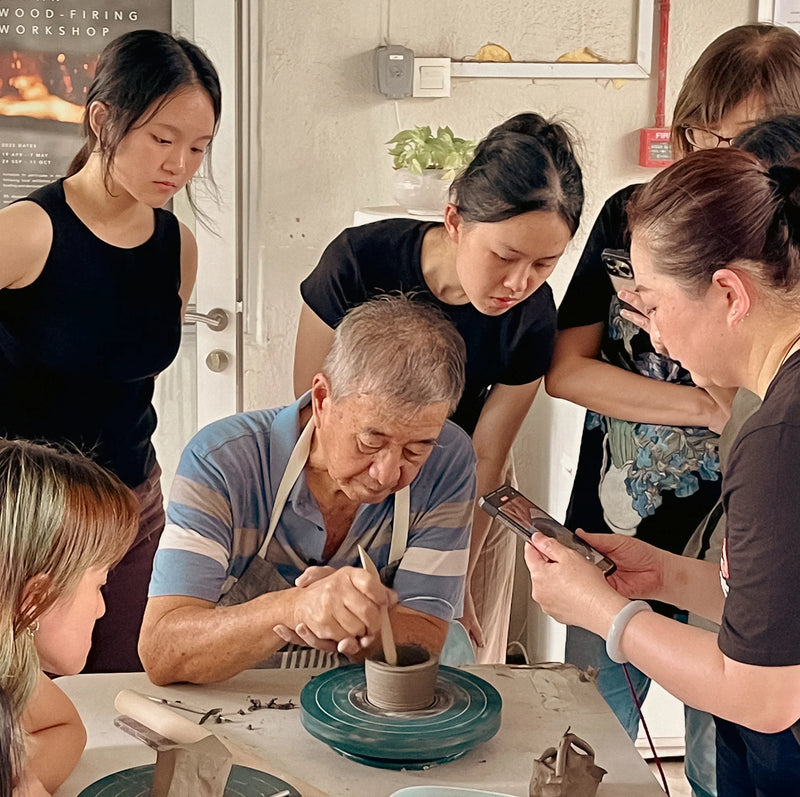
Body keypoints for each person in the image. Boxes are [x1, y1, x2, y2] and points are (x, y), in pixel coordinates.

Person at [545, 24, 800, 792]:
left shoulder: (774, 433)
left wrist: (605, 612)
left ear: (727, 289)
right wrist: (669, 578)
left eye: (650, 304)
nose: (647, 329)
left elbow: (760, 691)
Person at [293, 112, 584, 664]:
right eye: (505, 256)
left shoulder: (531, 318)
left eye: (545, 264)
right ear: (454, 221)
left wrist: (457, 587)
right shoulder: (359, 261)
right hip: (351, 469)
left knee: (454, 656)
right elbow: (313, 415)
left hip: (464, 491)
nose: (520, 283)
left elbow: (488, 455)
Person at [0, 30, 221, 673]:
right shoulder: (29, 232)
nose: (179, 164)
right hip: (35, 521)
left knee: (129, 687)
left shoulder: (176, 245)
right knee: (28, 711)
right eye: (162, 138)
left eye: (198, 147)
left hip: (133, 505)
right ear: (102, 120)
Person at [139, 295, 476, 685]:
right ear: (321, 400)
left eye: (415, 449)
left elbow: (427, 634)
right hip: (234, 697)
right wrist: (293, 608)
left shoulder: (448, 460)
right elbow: (163, 652)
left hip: (364, 702)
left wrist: (356, 621)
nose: (387, 474)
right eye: (370, 441)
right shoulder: (222, 461)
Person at [0, 439, 138, 794]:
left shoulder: (11, 667)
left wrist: (20, 779)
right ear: (35, 599)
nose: (102, 607)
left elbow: (65, 727)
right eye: (99, 584)